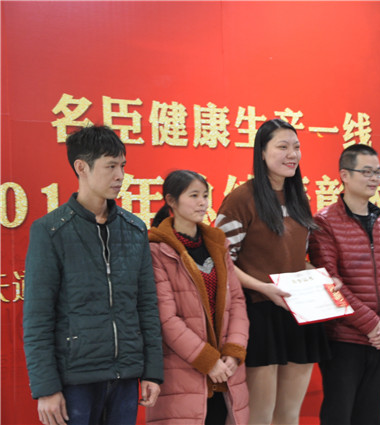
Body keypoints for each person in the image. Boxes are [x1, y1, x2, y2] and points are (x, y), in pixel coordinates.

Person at [23, 125, 164, 425]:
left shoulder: (135, 229)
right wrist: (46, 388)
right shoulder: (50, 231)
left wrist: (152, 371)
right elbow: (38, 317)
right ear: (81, 167)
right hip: (75, 380)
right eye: (110, 166)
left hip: (126, 377)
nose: (120, 175)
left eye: (122, 166)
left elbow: (147, 306)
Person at [214, 118, 330, 425]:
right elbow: (221, 262)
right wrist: (263, 288)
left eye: (296, 147)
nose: (292, 154)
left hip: (298, 311)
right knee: (258, 416)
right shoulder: (241, 199)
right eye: (282, 147)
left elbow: (296, 259)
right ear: (262, 152)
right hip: (259, 313)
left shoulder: (299, 198)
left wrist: (323, 280)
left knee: (289, 414)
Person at [309, 144, 380, 425]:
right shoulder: (324, 222)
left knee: (371, 416)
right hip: (344, 340)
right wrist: (372, 325)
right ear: (345, 175)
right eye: (367, 172)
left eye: (378, 172)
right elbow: (330, 282)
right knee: (339, 415)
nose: (374, 178)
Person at [146, 170, 249, 425]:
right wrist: (208, 361)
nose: (202, 203)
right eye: (193, 196)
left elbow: (237, 302)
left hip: (226, 370)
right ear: (171, 201)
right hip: (183, 369)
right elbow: (166, 318)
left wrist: (233, 351)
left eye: (205, 195)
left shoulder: (217, 244)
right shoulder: (157, 249)